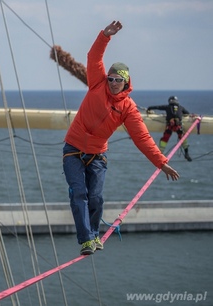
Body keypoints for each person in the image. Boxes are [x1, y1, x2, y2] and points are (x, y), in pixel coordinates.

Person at [61, 21, 180, 256]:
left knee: (95, 198)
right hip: (73, 149)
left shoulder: (128, 108)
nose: (114, 83)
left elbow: (142, 137)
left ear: (127, 82)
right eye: (111, 78)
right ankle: (86, 240)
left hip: (97, 155)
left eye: (118, 79)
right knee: (79, 193)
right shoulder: (97, 83)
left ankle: (93, 235)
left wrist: (160, 162)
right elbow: (94, 56)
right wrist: (105, 35)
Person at [146, 96, 192, 161]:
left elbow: (158, 107)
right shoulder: (181, 107)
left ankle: (160, 154)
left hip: (170, 126)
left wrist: (150, 108)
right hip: (178, 126)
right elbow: (187, 113)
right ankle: (186, 154)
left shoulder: (167, 107)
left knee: (164, 139)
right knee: (183, 139)